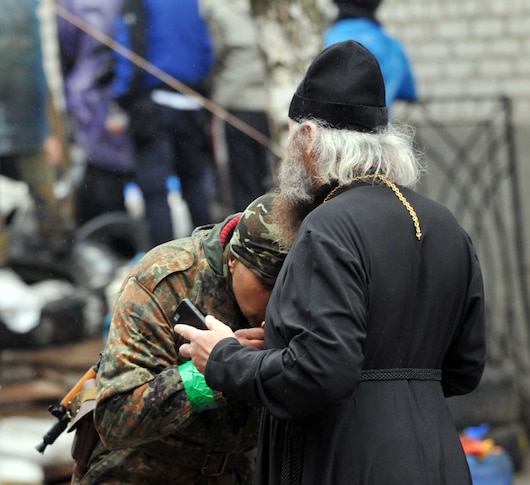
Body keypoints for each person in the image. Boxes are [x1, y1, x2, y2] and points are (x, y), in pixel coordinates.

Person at [176, 40, 486, 484]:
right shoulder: (444, 224)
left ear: (309, 137)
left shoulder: (329, 226)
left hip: (349, 462)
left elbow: (322, 373)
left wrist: (224, 358)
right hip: (439, 460)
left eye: (291, 135)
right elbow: (464, 368)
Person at [75, 193, 296, 484]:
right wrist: (215, 371)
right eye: (266, 284)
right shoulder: (166, 277)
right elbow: (117, 419)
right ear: (233, 260)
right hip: (142, 472)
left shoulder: (305, 287)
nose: (274, 302)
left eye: (285, 288)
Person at [112, 0, 215, 247]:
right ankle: (210, 253)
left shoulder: (135, 3)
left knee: (155, 189)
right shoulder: (190, 3)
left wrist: (122, 98)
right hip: (191, 104)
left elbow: (129, 52)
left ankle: (163, 262)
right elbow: (206, 51)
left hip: (153, 108)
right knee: (195, 183)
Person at [0, 0, 73, 265]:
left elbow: (49, 63)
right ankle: (56, 243)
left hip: (30, 107)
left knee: (43, 183)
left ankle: (54, 244)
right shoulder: (33, 7)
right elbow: (50, 65)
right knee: (42, 184)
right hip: (31, 107)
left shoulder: (35, 6)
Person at [57, 0, 136, 225]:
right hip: (121, 94)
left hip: (97, 94)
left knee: (102, 171)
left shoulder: (76, 4)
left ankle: (109, 237)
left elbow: (66, 42)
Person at [200, 0, 275, 213]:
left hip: (234, 107)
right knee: (265, 179)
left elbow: (211, 57)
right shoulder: (268, 12)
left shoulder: (219, 10)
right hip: (267, 106)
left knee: (239, 185)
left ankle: (245, 238)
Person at [324, 0, 418, 109]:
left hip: (331, 124)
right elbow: (408, 92)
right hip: (381, 123)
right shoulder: (392, 46)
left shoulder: (325, 41)